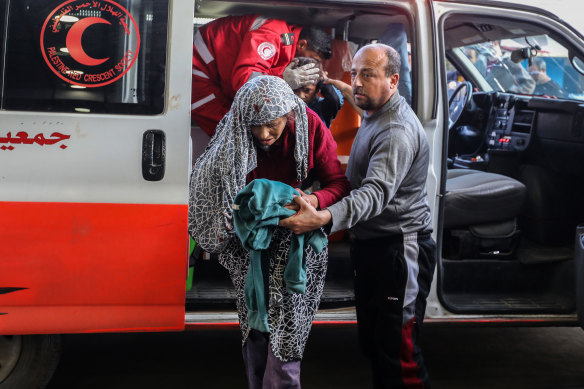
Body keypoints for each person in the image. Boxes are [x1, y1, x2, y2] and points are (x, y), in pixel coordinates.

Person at [280, 43, 436, 388]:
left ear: (393, 80)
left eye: (368, 74)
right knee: (375, 346)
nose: (359, 83)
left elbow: (375, 193)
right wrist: (339, 85)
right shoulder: (375, 107)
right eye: (356, 73)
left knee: (399, 356)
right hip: (372, 247)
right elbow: (359, 97)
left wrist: (324, 217)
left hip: (399, 251)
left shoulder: (395, 132)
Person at [188, 75, 350, 388]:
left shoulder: (311, 126)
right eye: (255, 126)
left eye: (272, 125)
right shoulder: (234, 128)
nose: (263, 134)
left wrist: (310, 201)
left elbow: (338, 184)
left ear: (289, 114)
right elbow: (211, 184)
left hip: (294, 237)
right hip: (248, 241)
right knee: (255, 324)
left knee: (287, 328)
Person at [191, 14, 332, 136]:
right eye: (314, 59)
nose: (312, 66)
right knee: (232, 133)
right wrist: (282, 79)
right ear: (302, 45)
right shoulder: (274, 34)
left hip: (218, 77)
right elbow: (244, 80)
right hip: (198, 67)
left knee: (253, 130)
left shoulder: (287, 45)